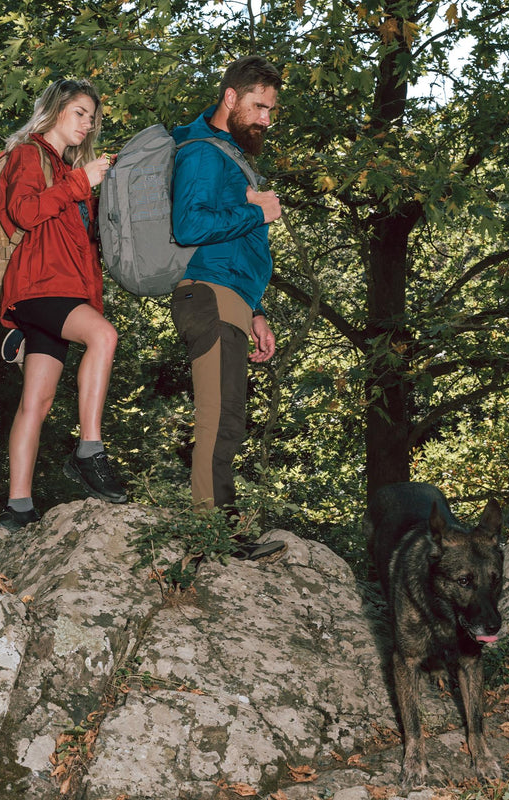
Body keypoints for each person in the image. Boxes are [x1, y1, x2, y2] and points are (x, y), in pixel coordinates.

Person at [0, 78, 127, 532]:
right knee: (103, 336)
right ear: (54, 110)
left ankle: (18, 508)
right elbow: (24, 212)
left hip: (65, 290)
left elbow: (83, 246)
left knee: (38, 399)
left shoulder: (70, 169)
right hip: (39, 287)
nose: (88, 123)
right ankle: (89, 450)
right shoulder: (28, 154)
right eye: (79, 112)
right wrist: (79, 182)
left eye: (92, 117)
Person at [170, 56, 285, 560]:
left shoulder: (231, 155)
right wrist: (256, 208)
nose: (266, 118)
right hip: (208, 295)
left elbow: (239, 250)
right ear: (231, 98)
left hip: (233, 298)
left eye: (271, 110)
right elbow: (189, 227)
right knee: (217, 420)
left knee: (231, 421)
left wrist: (257, 311)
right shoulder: (201, 153)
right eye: (259, 106)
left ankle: (223, 530)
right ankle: (213, 536)